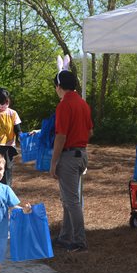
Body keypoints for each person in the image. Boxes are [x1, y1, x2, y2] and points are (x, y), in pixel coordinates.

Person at [49, 67, 93, 253]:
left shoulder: (64, 104)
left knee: (72, 200)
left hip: (69, 155)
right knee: (67, 199)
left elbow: (61, 136)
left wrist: (54, 161)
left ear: (59, 86)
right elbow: (90, 131)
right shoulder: (83, 103)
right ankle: (65, 236)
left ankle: (79, 241)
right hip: (81, 153)